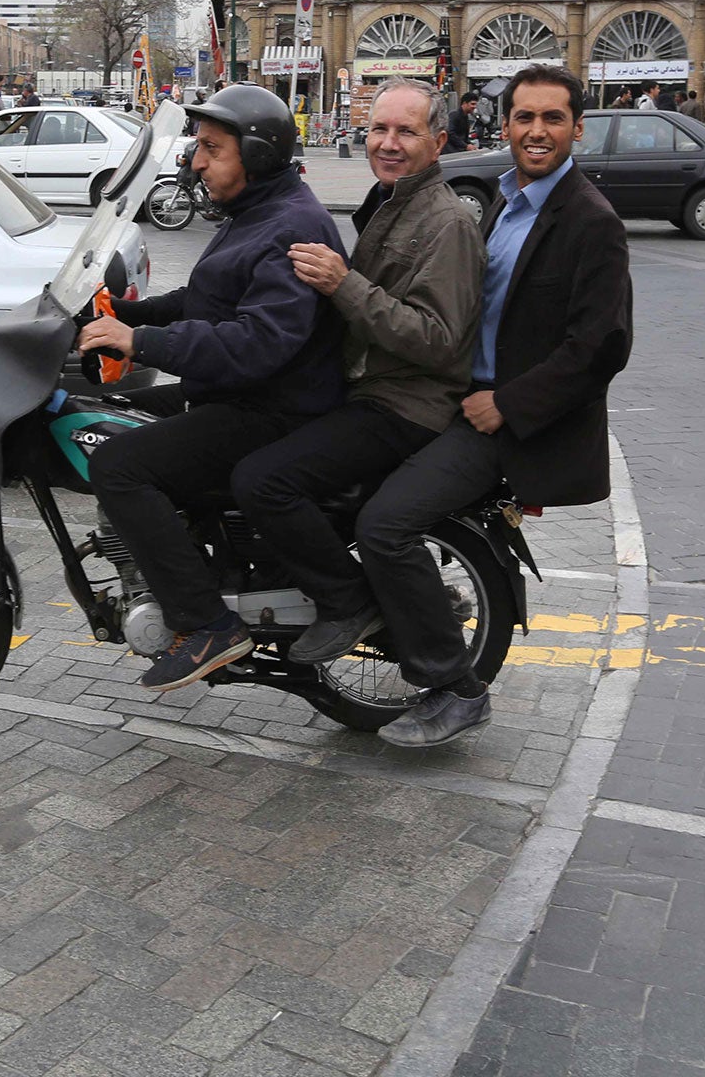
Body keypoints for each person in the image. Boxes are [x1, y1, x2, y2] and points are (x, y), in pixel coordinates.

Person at [353, 64, 632, 748]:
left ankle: (456, 687)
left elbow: (601, 346)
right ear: (504, 125)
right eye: (525, 118)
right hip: (455, 399)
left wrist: (506, 404)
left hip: (499, 423)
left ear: (577, 130)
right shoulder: (513, 200)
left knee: (385, 524)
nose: (537, 131)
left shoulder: (589, 220)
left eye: (553, 119)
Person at [75, 85, 347, 693]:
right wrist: (123, 313)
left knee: (119, 465)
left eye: (212, 149)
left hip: (272, 408)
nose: (197, 162)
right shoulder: (257, 213)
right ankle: (203, 562)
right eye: (199, 146)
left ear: (257, 154)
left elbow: (256, 343)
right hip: (236, 394)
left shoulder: (292, 228)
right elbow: (208, 300)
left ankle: (206, 623)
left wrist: (138, 344)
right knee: (106, 414)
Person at [231, 79, 485, 662]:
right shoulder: (389, 201)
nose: (388, 143)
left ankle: (348, 603)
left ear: (439, 141)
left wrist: (345, 286)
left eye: (406, 131)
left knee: (263, 479)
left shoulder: (446, 223)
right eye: (379, 129)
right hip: (367, 388)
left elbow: (439, 341)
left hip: (404, 404)